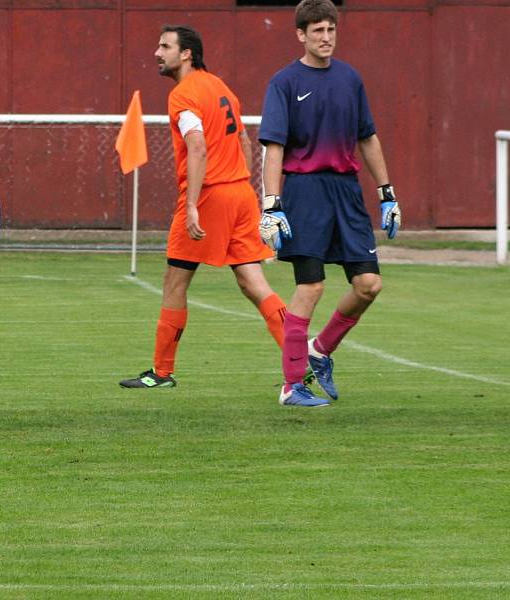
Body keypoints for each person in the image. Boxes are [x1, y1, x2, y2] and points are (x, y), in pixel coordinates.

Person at [120, 25, 288, 389]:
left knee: (174, 281)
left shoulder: (184, 94)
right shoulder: (220, 86)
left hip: (210, 196)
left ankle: (162, 373)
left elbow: (197, 145)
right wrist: (244, 187)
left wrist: (194, 204)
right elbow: (243, 140)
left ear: (186, 54)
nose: (156, 52)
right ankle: (300, 361)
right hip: (241, 193)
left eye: (165, 46)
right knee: (252, 281)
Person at [258, 0, 402, 407]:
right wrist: (272, 204)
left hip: (347, 191)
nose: (326, 38)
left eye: (331, 30)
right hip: (305, 192)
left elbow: (367, 138)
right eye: (317, 31)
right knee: (311, 286)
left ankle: (320, 351)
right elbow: (273, 146)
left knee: (369, 284)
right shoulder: (284, 82)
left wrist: (386, 192)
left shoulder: (350, 79)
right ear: (301, 34)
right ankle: (291, 386)